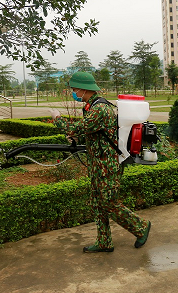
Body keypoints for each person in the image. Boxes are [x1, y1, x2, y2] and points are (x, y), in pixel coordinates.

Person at [49, 71, 151, 252]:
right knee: (97, 202)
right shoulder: (91, 106)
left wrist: (57, 119)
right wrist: (75, 138)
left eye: (74, 89)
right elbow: (90, 132)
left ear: (82, 89)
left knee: (109, 203)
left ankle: (141, 226)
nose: (73, 93)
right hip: (98, 163)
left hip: (107, 165)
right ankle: (104, 241)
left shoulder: (99, 109)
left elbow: (78, 127)